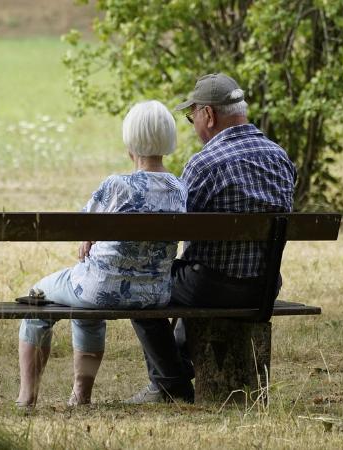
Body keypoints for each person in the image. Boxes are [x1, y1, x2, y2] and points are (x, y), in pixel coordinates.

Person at [126, 73, 297, 404]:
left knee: (138, 285)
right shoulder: (280, 158)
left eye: (192, 117)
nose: (193, 125)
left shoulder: (204, 164)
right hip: (264, 287)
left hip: (212, 287)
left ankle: (171, 384)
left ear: (208, 114)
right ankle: (172, 374)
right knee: (190, 275)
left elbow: (172, 229)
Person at [16, 100, 188, 408]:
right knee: (86, 304)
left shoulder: (116, 185)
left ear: (130, 141)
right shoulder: (179, 188)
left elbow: (81, 225)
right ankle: (80, 396)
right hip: (154, 294)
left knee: (37, 296)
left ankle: (26, 397)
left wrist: (89, 236)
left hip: (100, 289)